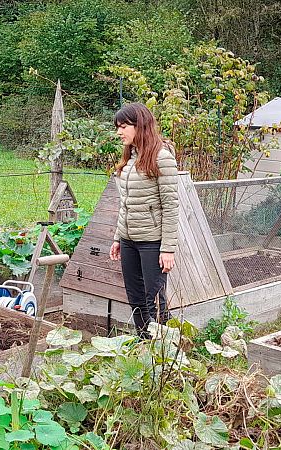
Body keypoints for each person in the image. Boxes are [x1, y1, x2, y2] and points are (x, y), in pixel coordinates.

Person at [108, 102, 179, 338]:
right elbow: (126, 205)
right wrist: (118, 237)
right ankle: (144, 342)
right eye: (118, 127)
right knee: (135, 297)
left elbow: (171, 206)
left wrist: (167, 249)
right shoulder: (130, 160)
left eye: (124, 126)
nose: (119, 132)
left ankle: (164, 350)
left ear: (141, 125)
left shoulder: (162, 158)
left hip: (152, 242)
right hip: (129, 240)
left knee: (154, 301)